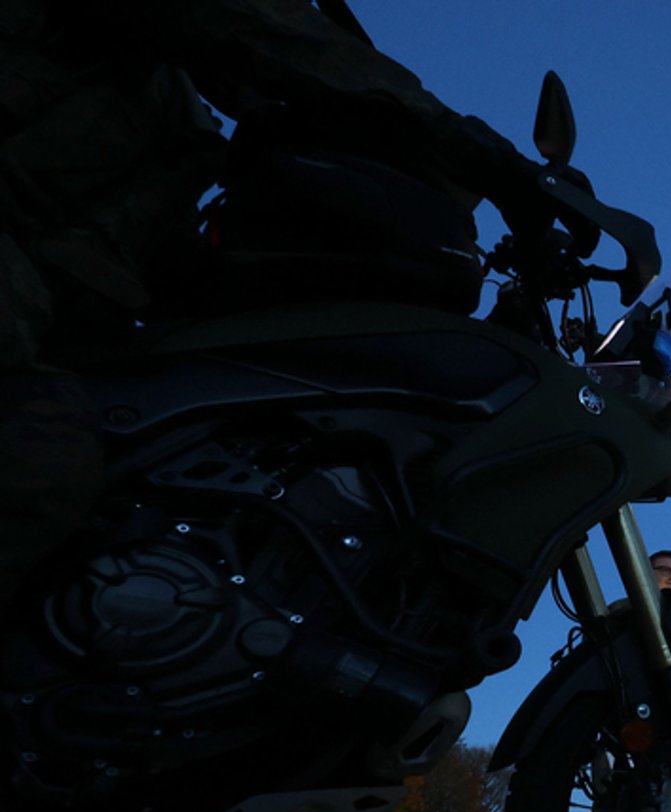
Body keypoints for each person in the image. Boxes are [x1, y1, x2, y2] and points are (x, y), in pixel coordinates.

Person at [0, 0, 554, 609]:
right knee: (39, 453)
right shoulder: (177, 43)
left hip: (63, 322)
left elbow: (164, 271)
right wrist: (485, 156)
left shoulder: (182, 124)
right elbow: (259, 29)